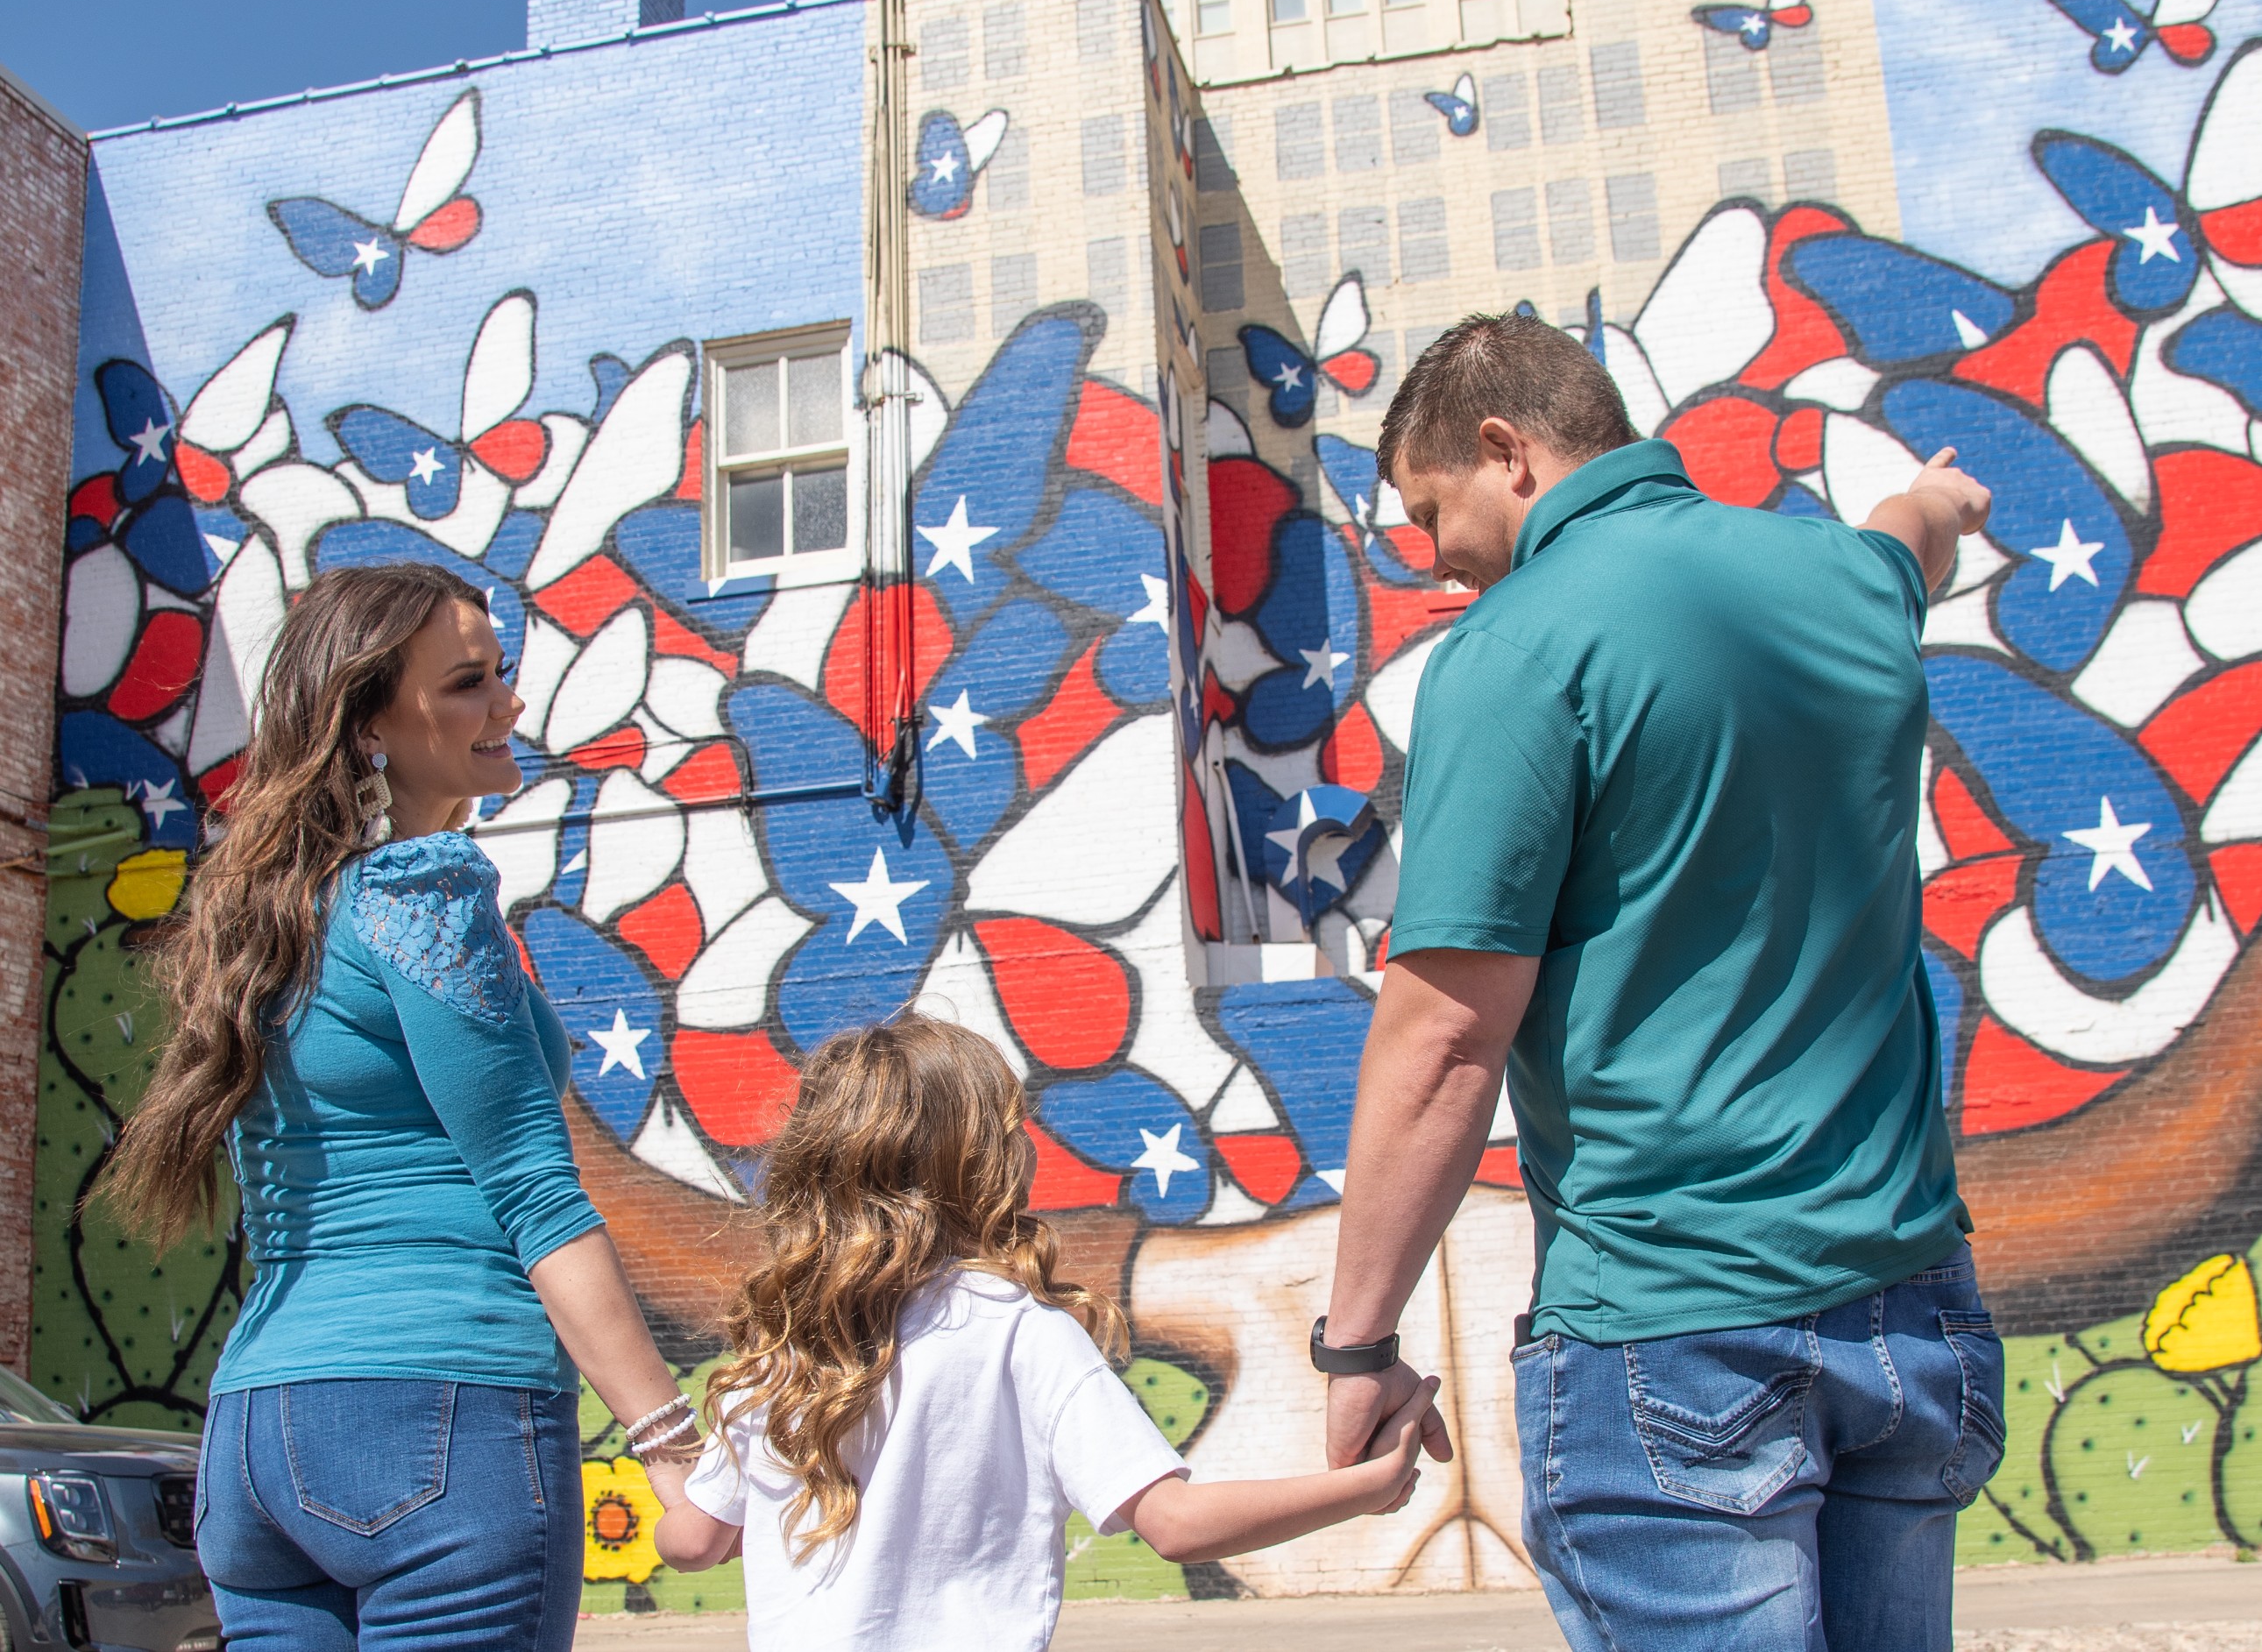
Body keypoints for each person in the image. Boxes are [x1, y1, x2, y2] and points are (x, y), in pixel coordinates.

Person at [1315, 315, 2007, 1652]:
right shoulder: (1843, 580)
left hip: (1676, 1336)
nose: (1428, 553)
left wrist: (1356, 1348)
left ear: (1506, 451)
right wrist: (1939, 494)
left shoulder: (1517, 650)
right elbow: (1908, 535)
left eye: (1428, 506)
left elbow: (1448, 1040)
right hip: (1912, 1321)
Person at [103, 563, 705, 1651]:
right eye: (468, 684)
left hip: (257, 1440)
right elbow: (532, 1189)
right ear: (372, 724)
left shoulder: (263, 918)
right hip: (439, 1424)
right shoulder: (425, 893)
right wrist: (670, 1439)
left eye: (500, 673)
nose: (509, 704)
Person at [653, 1014, 1436, 1648]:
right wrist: (1360, 1487)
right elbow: (1174, 1525)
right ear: (980, 1162)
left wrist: (659, 1439)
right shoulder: (1020, 1331)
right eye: (1012, 1128)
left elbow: (693, 1544)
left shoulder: (789, 1349)